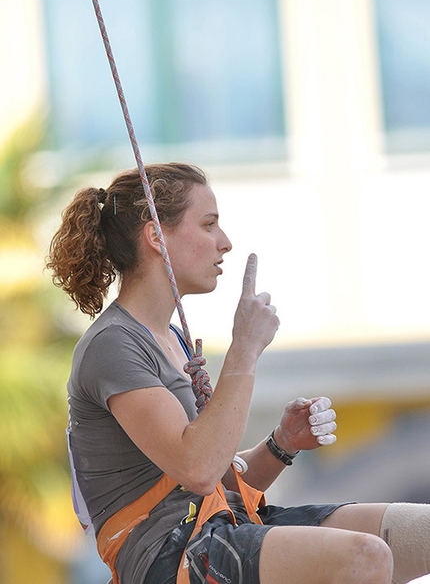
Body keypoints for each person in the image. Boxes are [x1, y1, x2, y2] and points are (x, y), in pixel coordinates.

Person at [47, 163, 429, 584]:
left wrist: (282, 444)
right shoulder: (112, 345)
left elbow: (218, 477)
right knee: (364, 558)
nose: (224, 243)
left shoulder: (170, 337)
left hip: (222, 528)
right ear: (156, 236)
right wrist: (244, 349)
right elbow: (197, 469)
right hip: (169, 554)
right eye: (209, 224)